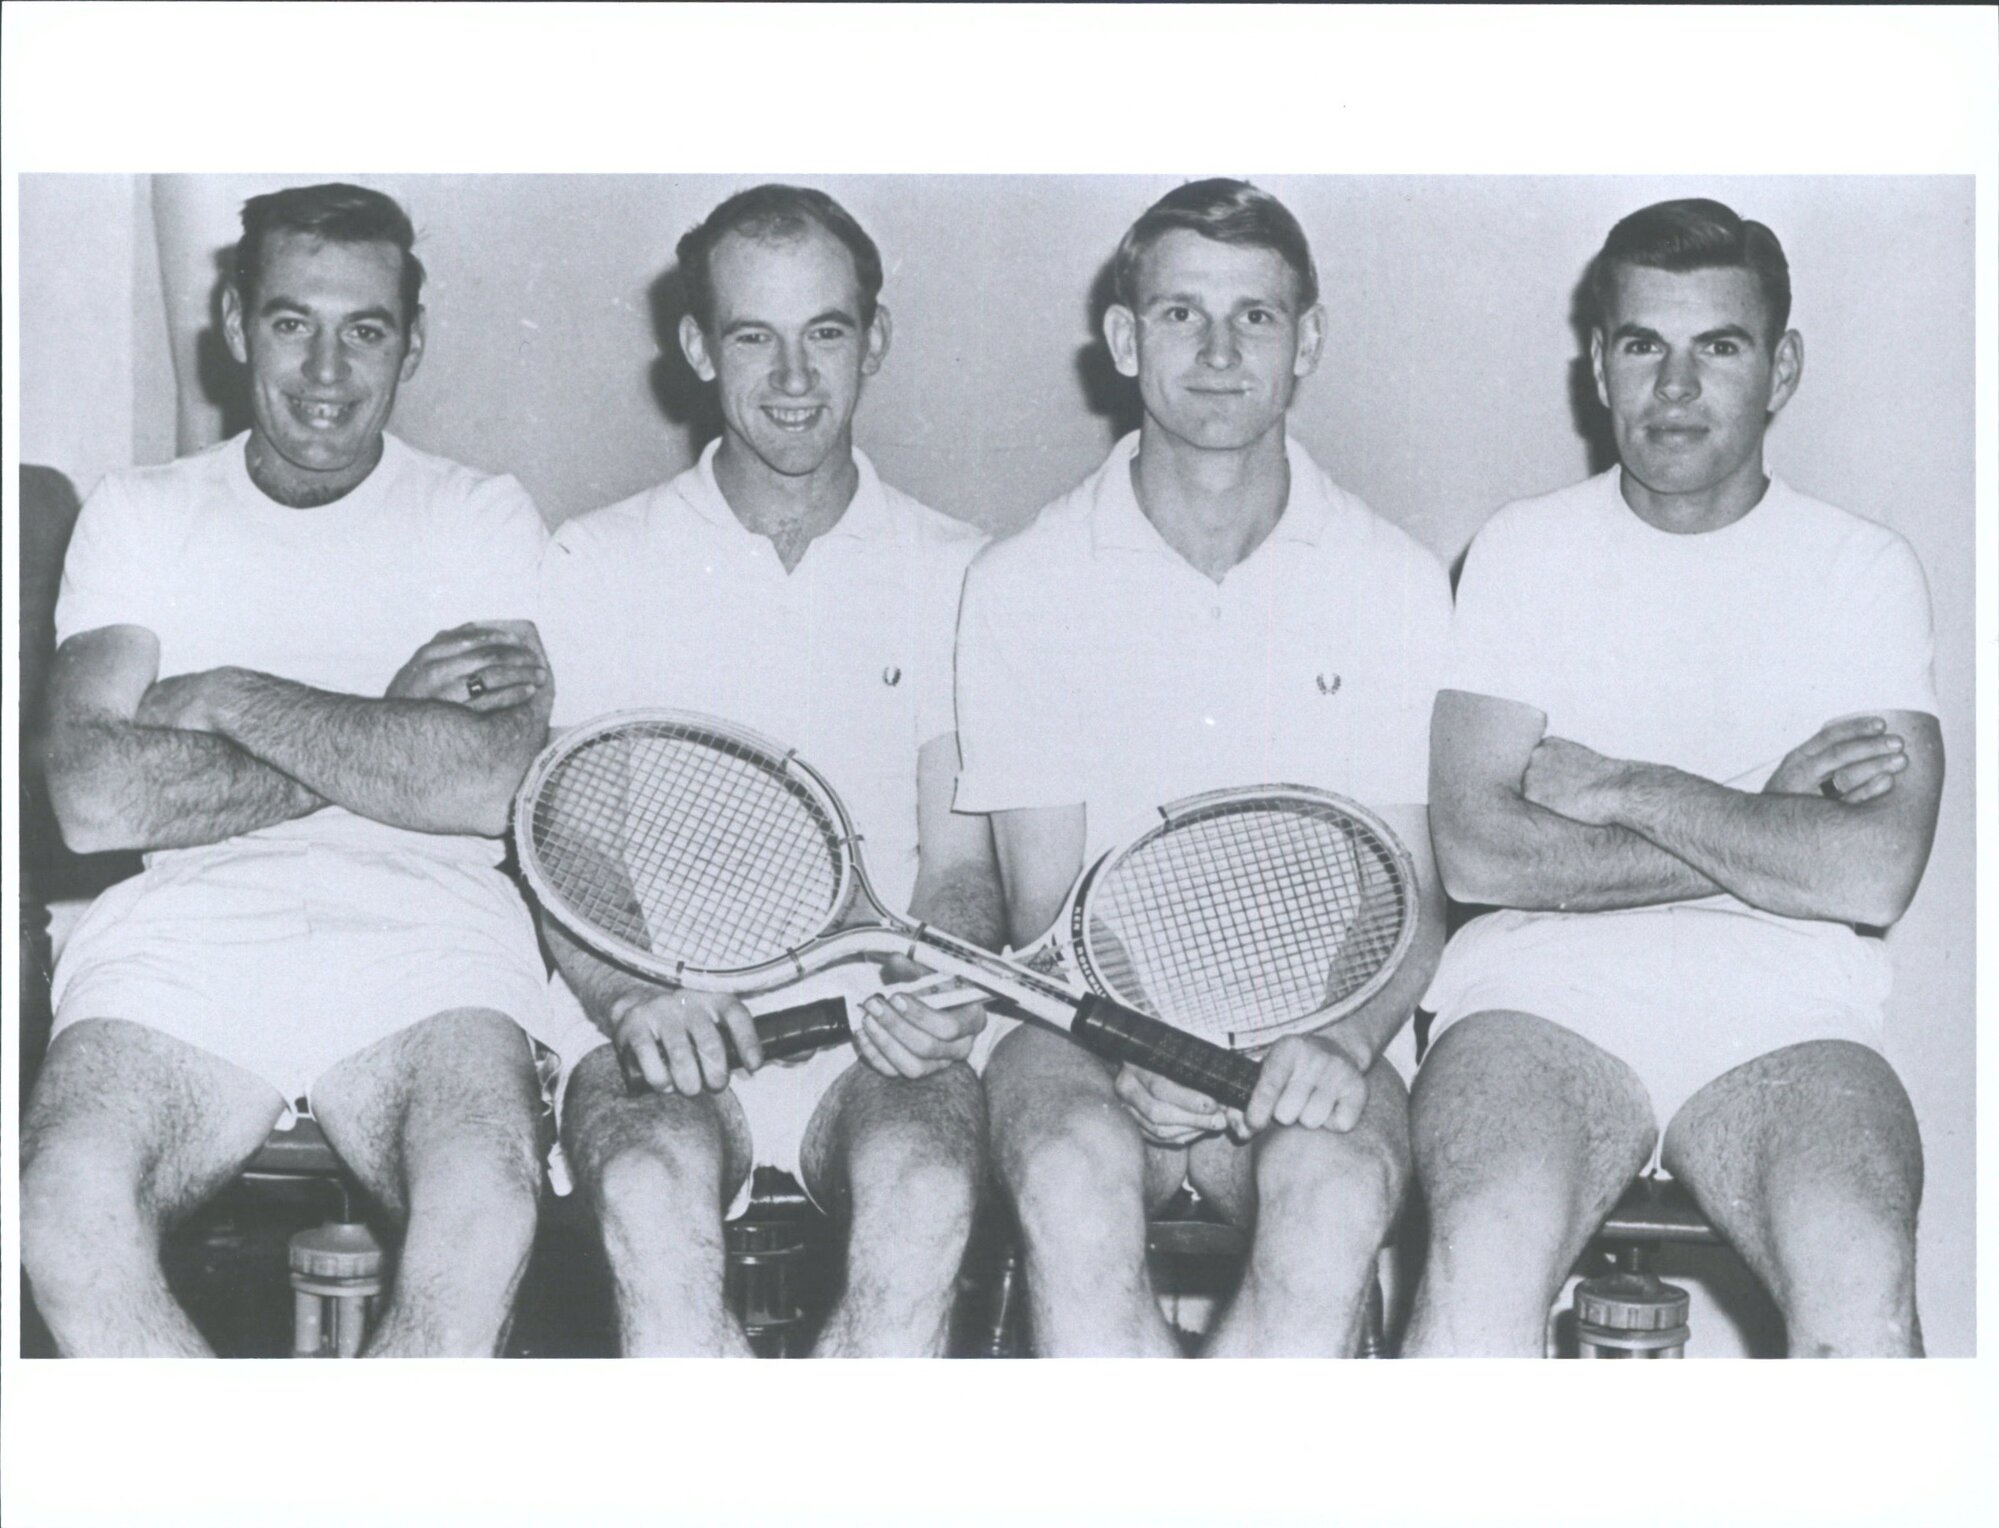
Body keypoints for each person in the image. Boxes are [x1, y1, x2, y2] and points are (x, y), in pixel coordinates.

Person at [22, 183, 562, 1357]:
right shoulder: (141, 512)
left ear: (411, 342)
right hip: (185, 929)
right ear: (231, 322)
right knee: (61, 1216)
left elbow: (479, 786)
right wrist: (383, 727)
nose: (326, 369)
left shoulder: (477, 512)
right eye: (290, 322)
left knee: (486, 1216)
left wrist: (225, 698)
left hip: (429, 928)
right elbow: (97, 798)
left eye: (364, 328)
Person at [1406, 199, 1943, 1358]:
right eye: (1644, 343)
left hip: (1789, 1009)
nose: (1677, 386)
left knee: (1863, 1281)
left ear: (1781, 366)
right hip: (1535, 994)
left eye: (1720, 345)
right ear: (1599, 364)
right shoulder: (1523, 548)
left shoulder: (1860, 570)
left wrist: (1622, 785)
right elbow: (1479, 853)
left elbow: (1871, 874)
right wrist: (1766, 817)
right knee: (1478, 1258)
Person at [953, 179, 1450, 1356]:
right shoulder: (1020, 581)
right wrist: (1145, 1046)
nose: (1220, 352)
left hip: (1319, 1031)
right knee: (1073, 1198)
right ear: (1126, 338)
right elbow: (1041, 912)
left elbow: (1413, 899)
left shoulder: (1393, 580)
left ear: (1306, 340)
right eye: (1182, 315)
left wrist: (1339, 1040)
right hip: (1077, 1030)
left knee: (1329, 1211)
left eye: (1256, 318)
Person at [536, 185, 1000, 1357]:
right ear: (698, 347)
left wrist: (937, 985)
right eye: (753, 336)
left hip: (877, 1041)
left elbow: (956, 864)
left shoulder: (961, 573)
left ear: (874, 341)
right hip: (660, 1027)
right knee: (647, 1199)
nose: (793, 376)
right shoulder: (597, 560)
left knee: (928, 1202)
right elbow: (576, 849)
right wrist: (637, 1000)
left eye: (826, 332)